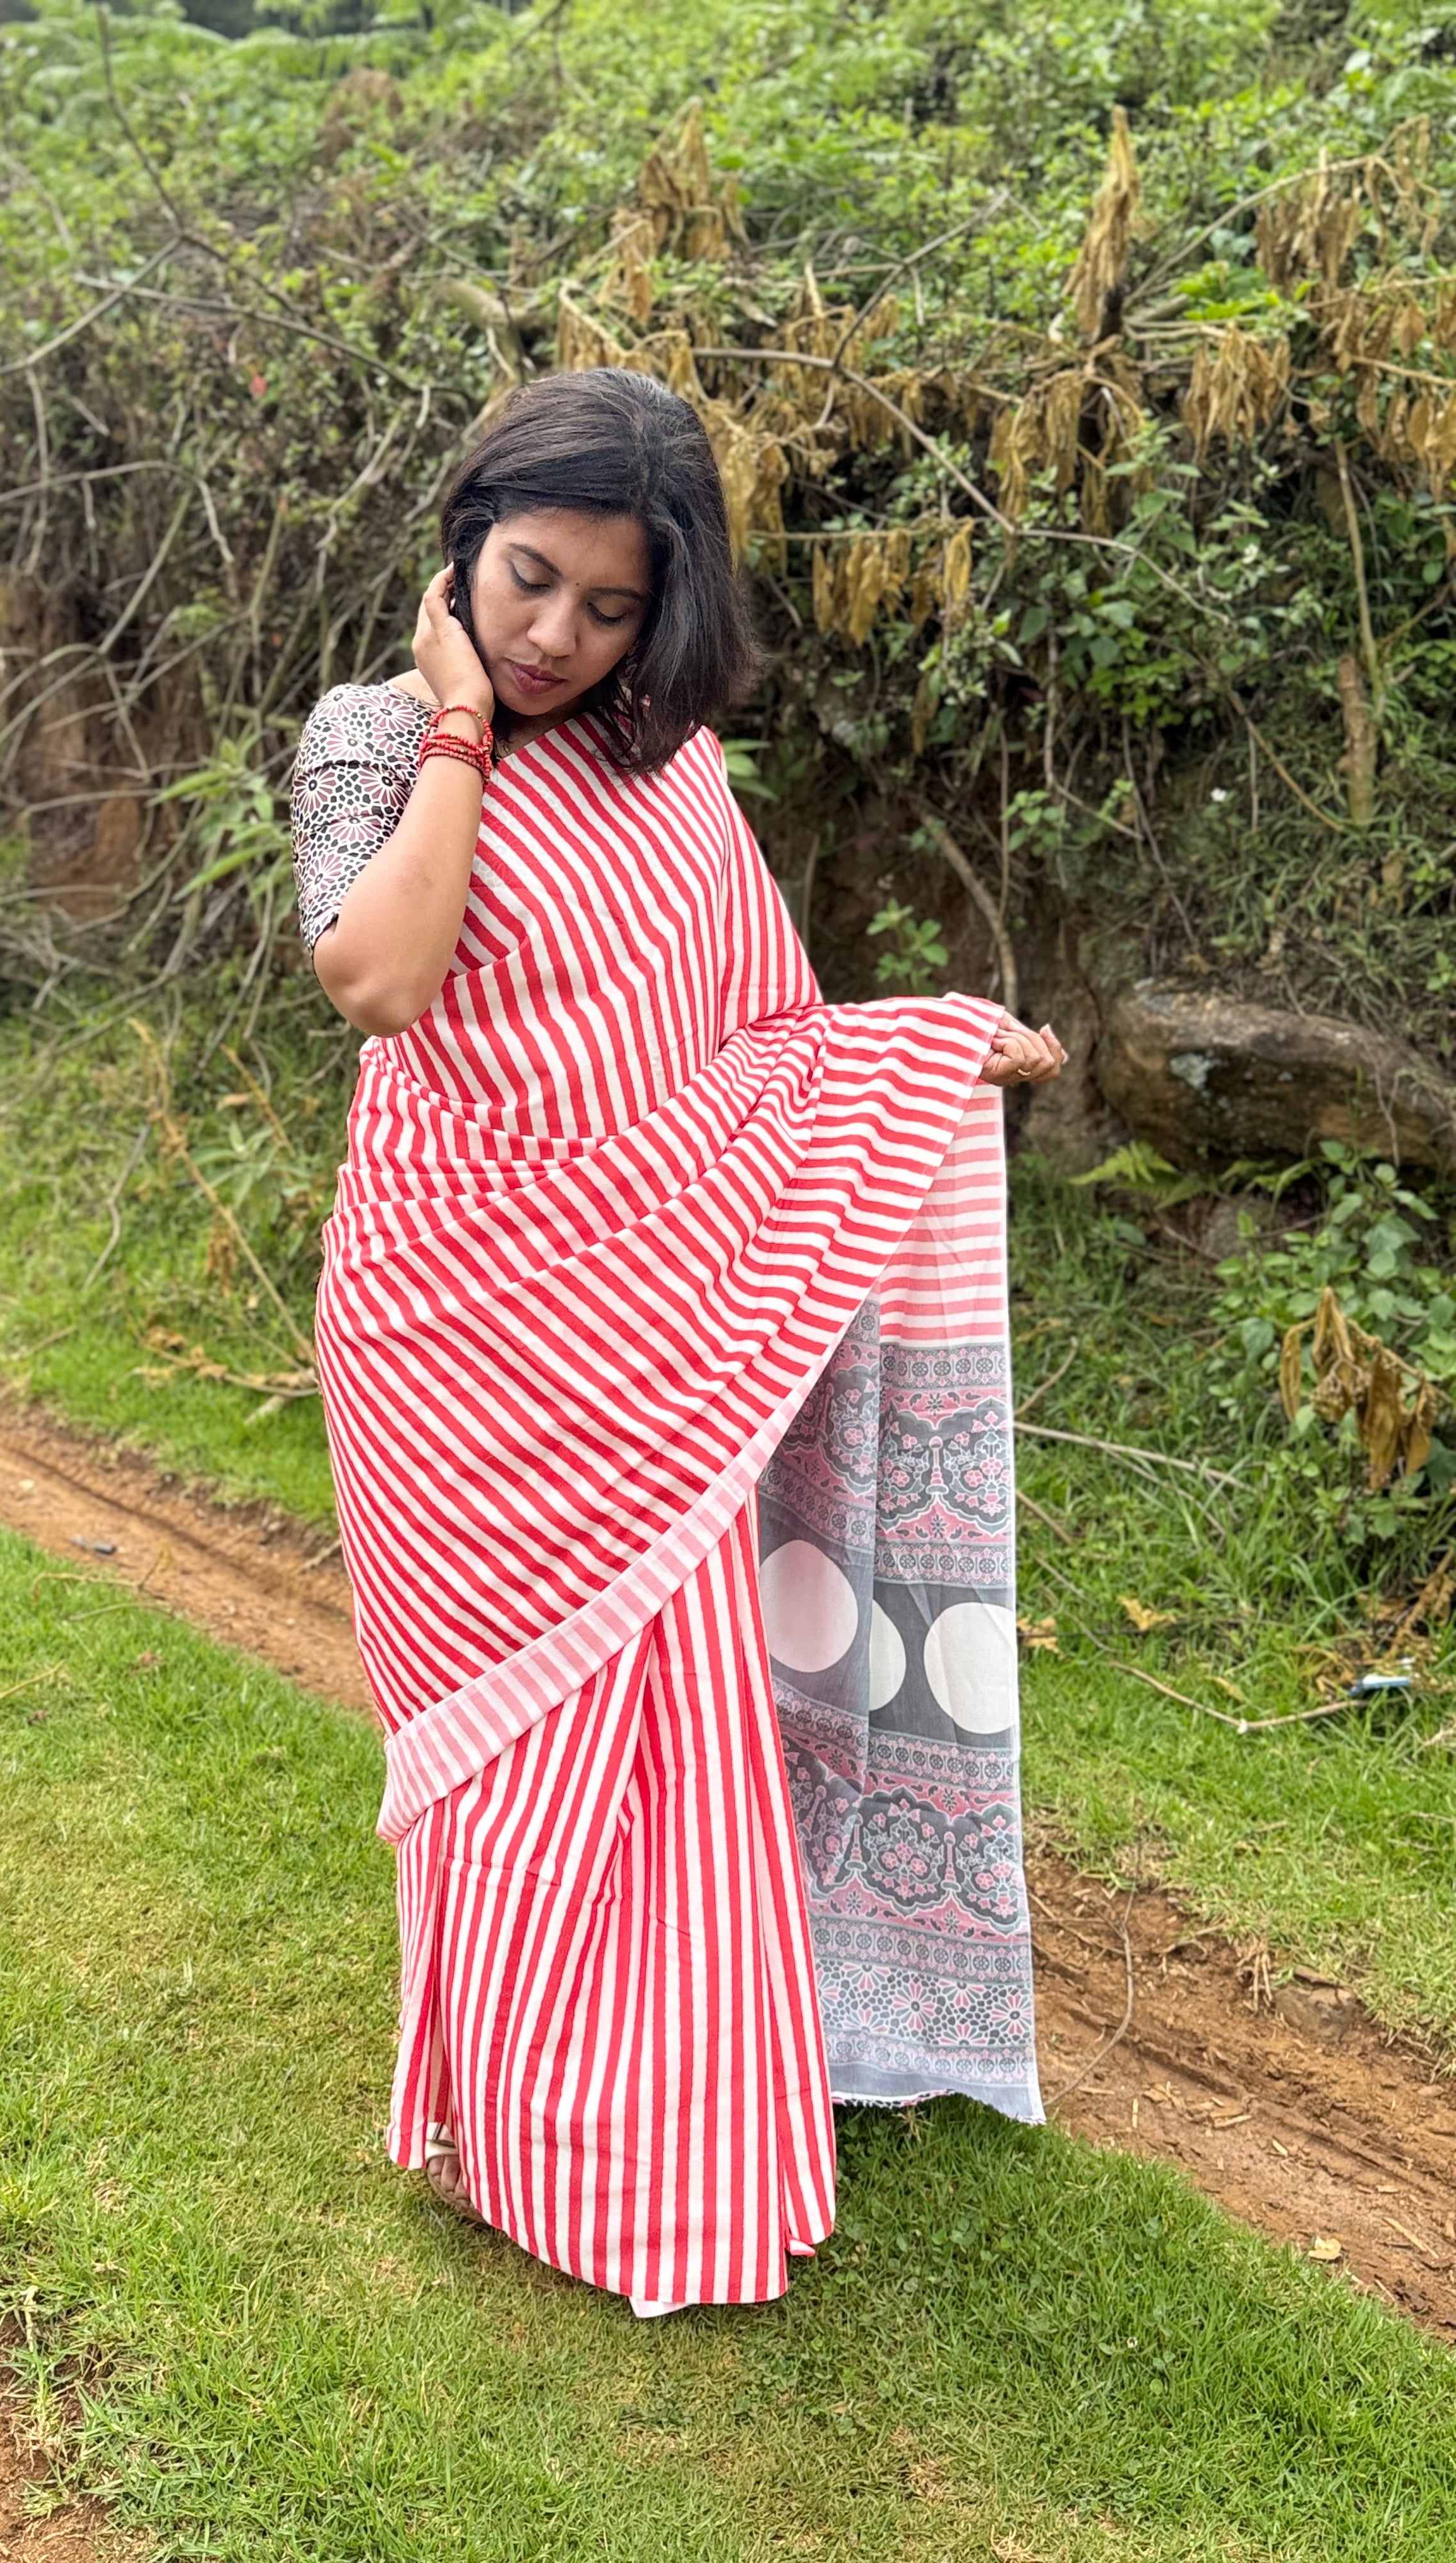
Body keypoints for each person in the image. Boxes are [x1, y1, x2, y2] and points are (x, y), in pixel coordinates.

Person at [290, 367, 1066, 2317]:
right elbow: (378, 977)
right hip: (446, 1341)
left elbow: (752, 1052)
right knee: (505, 1760)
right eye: (526, 578)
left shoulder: (673, 770)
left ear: (668, 612)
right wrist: (463, 730)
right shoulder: (368, 738)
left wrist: (921, 1048)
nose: (556, 635)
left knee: (663, 1735)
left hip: (648, 1335)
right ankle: (522, 2139)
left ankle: (671, 2140)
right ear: (465, 540)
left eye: (607, 608)